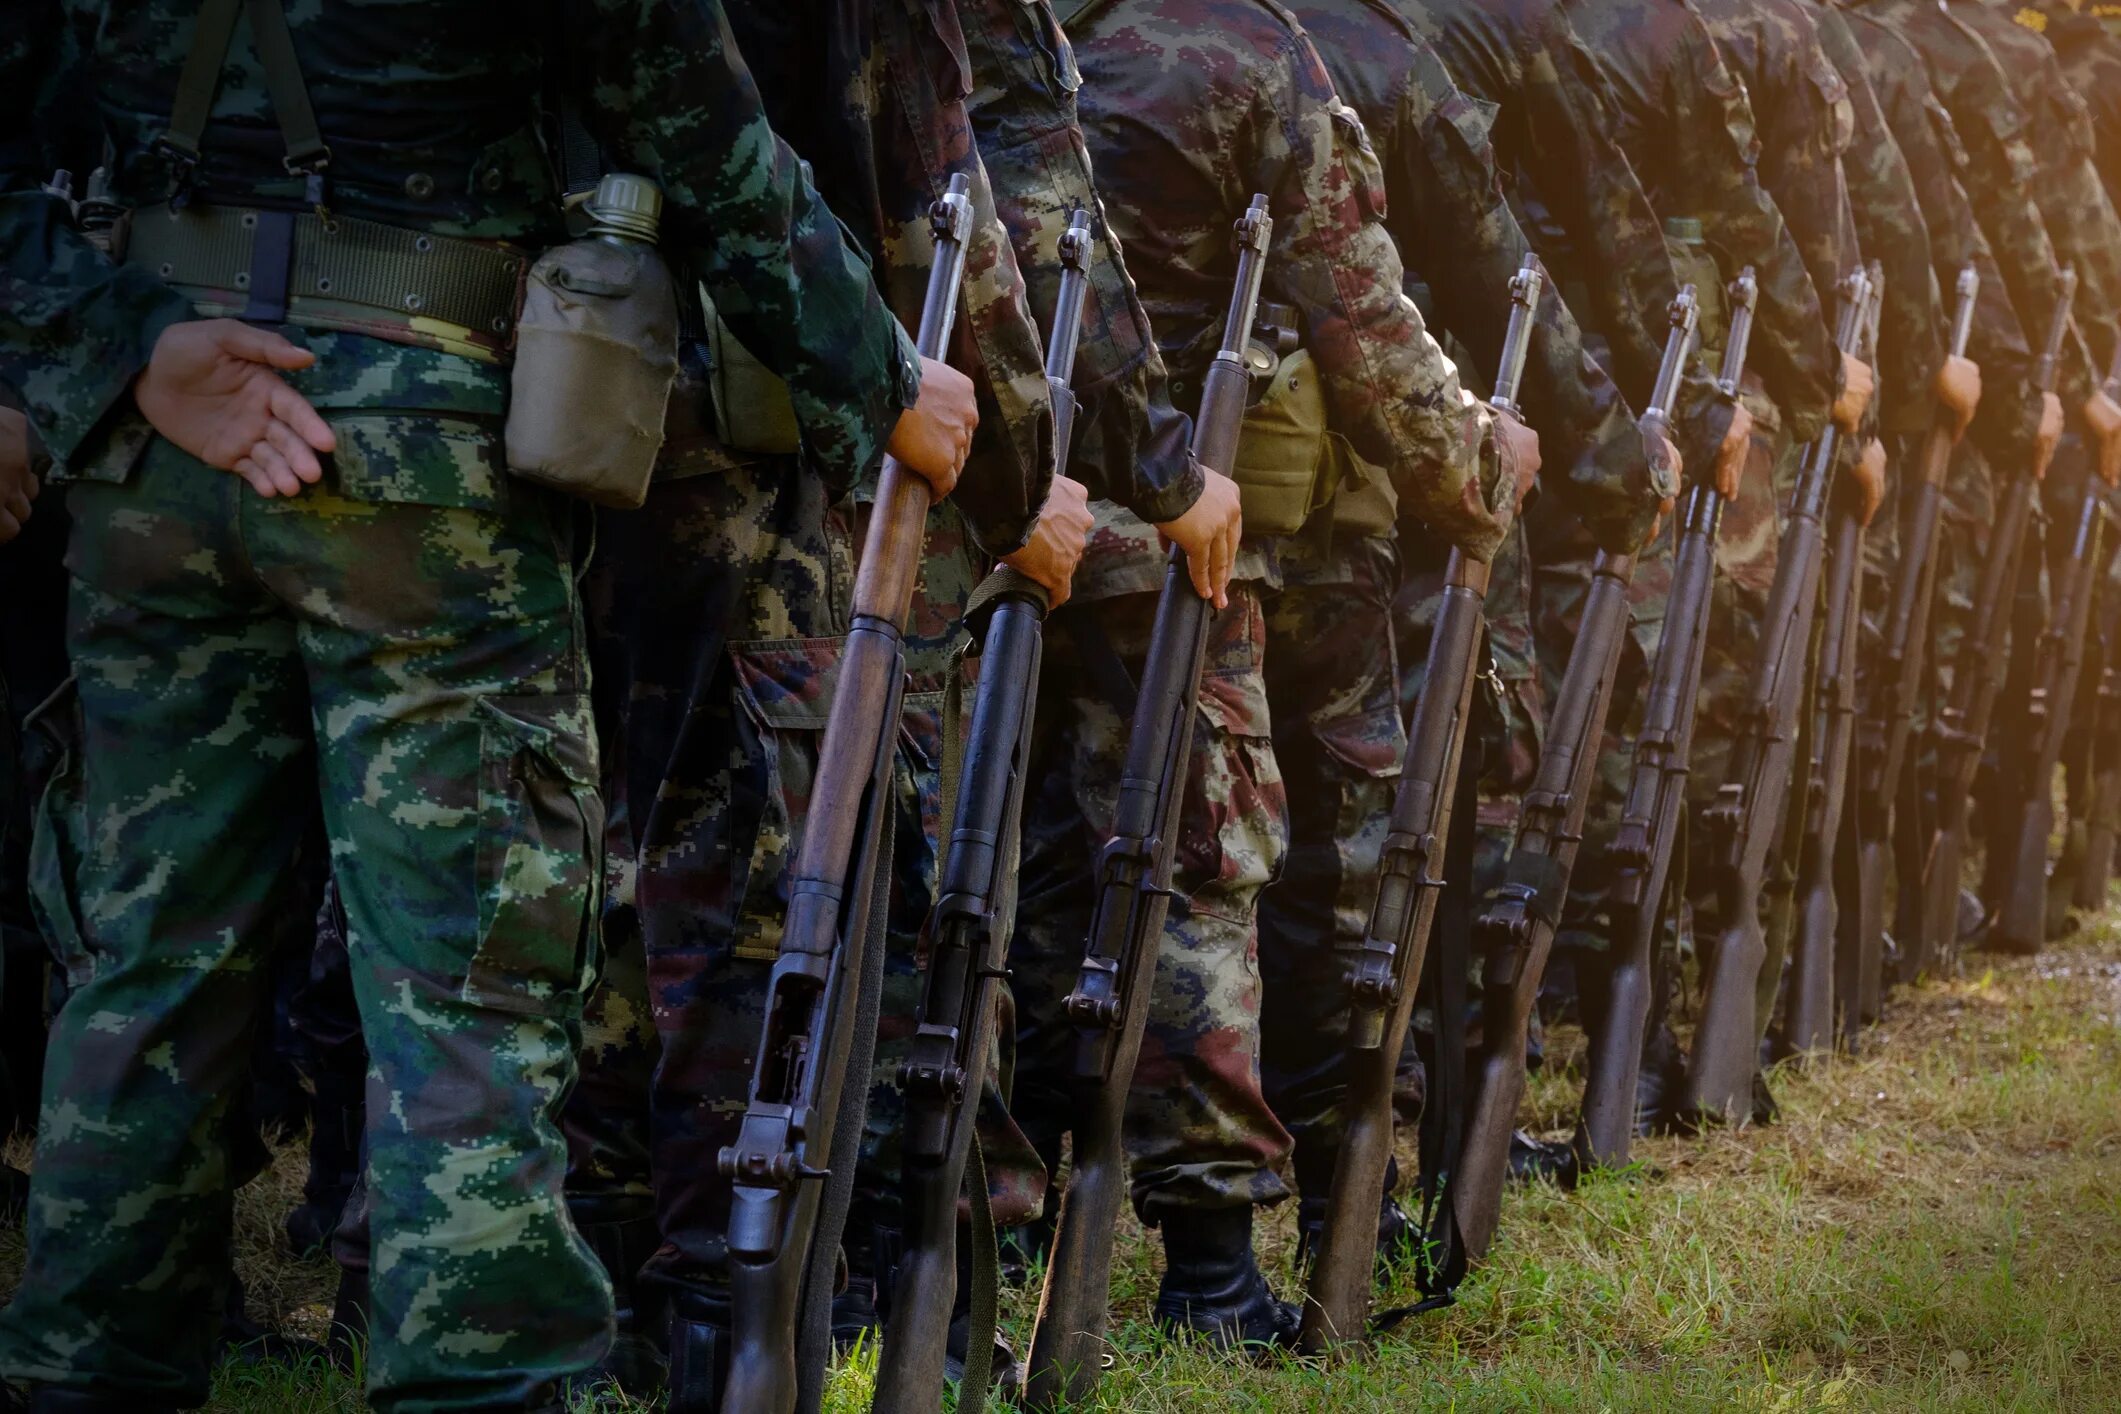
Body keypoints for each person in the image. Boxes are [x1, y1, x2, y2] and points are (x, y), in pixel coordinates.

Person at [0, 1, 974, 1409]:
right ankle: (485, 1383)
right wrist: (883, 376)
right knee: (466, 966)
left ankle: (82, 1378)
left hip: (162, 454)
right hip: (423, 451)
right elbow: (707, 141)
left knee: (149, 958)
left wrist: (126, 347)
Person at [1007, 0, 1523, 1347]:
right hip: (1176, 529)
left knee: (1016, 863)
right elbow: (1359, 313)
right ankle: (1209, 1267)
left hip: (1001, 512)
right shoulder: (1245, 54)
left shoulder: (1020, 40)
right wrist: (1476, 466)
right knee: (1192, 871)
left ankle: (988, 1220)